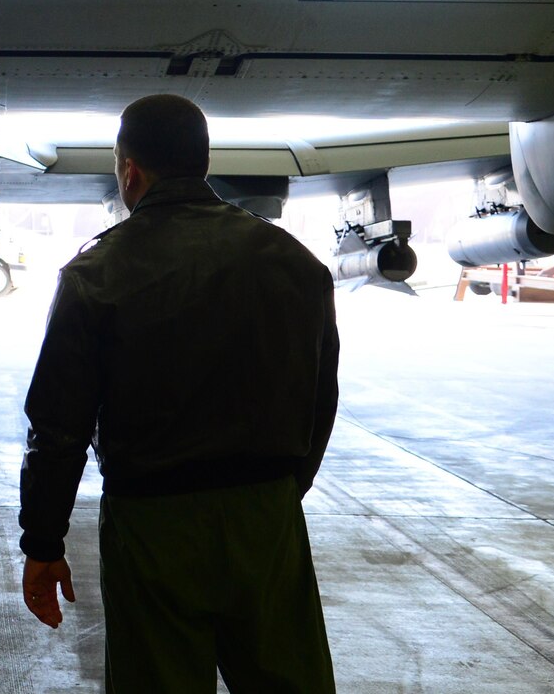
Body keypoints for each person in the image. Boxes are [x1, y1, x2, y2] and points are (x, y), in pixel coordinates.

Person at [17, 94, 339, 693]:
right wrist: (280, 492)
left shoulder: (95, 273)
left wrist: (42, 540)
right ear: (203, 161)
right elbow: (321, 395)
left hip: (152, 524)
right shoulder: (294, 261)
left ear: (130, 171)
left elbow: (58, 428)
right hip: (266, 514)